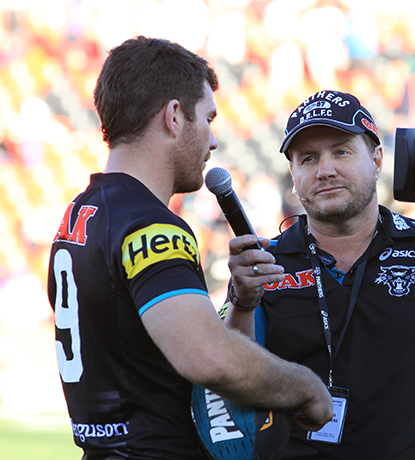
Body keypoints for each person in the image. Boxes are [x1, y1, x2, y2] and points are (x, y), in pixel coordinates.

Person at [47, 36, 332, 460]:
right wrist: (306, 387)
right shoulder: (151, 226)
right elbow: (207, 358)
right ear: (175, 116)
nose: (213, 141)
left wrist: (242, 301)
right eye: (209, 119)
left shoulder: (79, 215)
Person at [225, 90, 415, 459]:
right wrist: (242, 305)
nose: (325, 170)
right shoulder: (263, 266)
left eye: (341, 151)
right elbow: (230, 384)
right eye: (308, 158)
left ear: (376, 159)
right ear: (294, 175)